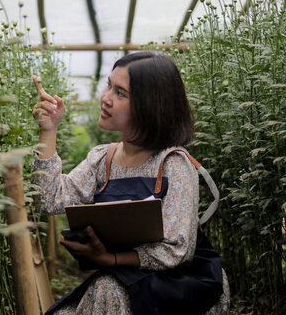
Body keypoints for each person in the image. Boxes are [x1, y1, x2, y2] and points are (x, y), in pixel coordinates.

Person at [31, 52, 230, 315]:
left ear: (150, 105)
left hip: (179, 286)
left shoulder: (173, 165)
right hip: (123, 277)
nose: (105, 97)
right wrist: (48, 130)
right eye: (108, 85)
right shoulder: (103, 159)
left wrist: (109, 259)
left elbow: (178, 251)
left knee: (107, 290)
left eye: (120, 93)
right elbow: (48, 199)